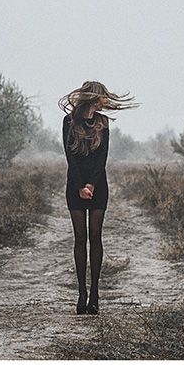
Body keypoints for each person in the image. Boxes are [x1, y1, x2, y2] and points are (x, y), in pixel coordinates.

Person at [58, 81, 139, 315]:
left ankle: (94, 293)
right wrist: (80, 187)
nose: (105, 101)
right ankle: (81, 293)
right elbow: (70, 157)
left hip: (98, 186)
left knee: (95, 237)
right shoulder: (69, 121)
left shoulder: (103, 122)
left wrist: (91, 185)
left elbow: (102, 158)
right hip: (75, 185)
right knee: (79, 238)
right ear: (93, 98)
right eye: (102, 97)